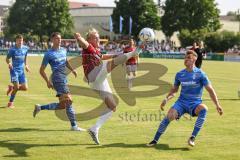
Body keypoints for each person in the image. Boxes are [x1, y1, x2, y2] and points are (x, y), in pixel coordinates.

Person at [74, 28, 142, 144]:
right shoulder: (88, 47)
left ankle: (95, 129)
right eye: (95, 37)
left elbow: (102, 56)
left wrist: (118, 55)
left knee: (112, 106)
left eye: (98, 36)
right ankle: (132, 54)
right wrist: (78, 37)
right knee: (111, 64)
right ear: (89, 39)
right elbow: (83, 43)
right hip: (94, 76)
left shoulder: (96, 49)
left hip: (98, 81)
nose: (98, 39)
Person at [147, 50, 223, 147]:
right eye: (185, 58)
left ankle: (192, 137)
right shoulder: (179, 74)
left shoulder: (201, 74)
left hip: (195, 104)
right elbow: (174, 91)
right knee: (169, 116)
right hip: (181, 103)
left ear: (195, 59)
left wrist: (217, 105)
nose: (186, 60)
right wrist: (167, 99)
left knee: (204, 109)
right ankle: (155, 140)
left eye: (188, 58)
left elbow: (210, 90)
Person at [33, 32, 85, 131]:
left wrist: (72, 69)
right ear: (52, 40)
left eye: (60, 38)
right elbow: (41, 70)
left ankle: (40, 107)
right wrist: (48, 81)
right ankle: (74, 126)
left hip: (64, 78)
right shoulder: (49, 54)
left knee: (62, 105)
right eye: (57, 38)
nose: (59, 40)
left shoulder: (63, 50)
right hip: (57, 79)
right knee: (69, 100)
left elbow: (65, 61)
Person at [6, 34, 30, 108]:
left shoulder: (26, 48)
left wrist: (26, 65)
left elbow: (25, 57)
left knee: (25, 88)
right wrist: (9, 63)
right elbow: (7, 58)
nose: (20, 42)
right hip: (14, 71)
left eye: (21, 40)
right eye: (18, 40)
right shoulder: (12, 50)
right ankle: (10, 103)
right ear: (16, 41)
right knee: (17, 87)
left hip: (21, 71)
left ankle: (11, 88)